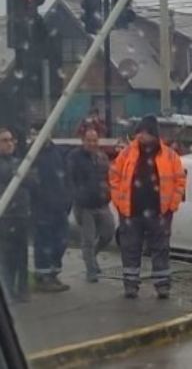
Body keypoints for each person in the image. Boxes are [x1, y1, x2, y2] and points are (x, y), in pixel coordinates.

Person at [109, 115, 185, 299]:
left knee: (160, 249)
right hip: (131, 211)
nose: (141, 137)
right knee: (130, 249)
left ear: (154, 134)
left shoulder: (169, 156)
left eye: (145, 133)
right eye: (139, 133)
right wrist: (119, 203)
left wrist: (171, 206)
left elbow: (180, 181)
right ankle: (130, 284)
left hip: (160, 212)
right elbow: (114, 177)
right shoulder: (126, 154)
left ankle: (162, 285)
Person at [67, 127, 115, 283]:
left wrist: (108, 193)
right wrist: (77, 197)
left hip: (102, 203)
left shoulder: (102, 157)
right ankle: (91, 271)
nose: (92, 143)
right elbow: (69, 179)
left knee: (108, 234)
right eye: (89, 140)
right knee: (88, 238)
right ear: (83, 141)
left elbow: (108, 176)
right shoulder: (74, 157)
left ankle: (92, 255)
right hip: (85, 205)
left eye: (95, 140)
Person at [29, 123, 73, 293]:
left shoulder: (56, 152)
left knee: (60, 242)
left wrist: (68, 199)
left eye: (40, 132)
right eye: (34, 133)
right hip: (41, 208)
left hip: (59, 207)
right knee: (43, 242)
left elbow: (66, 177)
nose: (37, 136)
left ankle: (53, 274)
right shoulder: (32, 154)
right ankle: (43, 277)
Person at [0, 126, 38, 303]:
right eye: (4, 140)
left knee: (21, 256)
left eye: (10, 140)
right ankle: (8, 292)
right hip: (5, 218)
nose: (9, 144)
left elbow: (32, 182)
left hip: (22, 216)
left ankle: (22, 289)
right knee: (6, 258)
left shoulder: (18, 162)